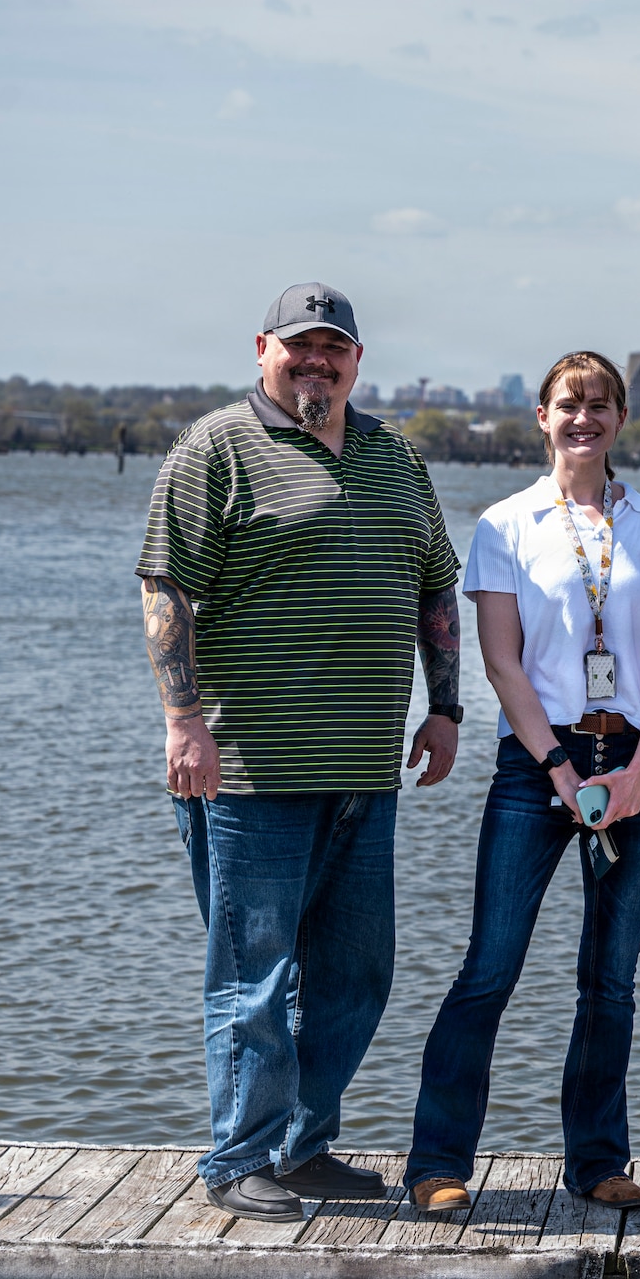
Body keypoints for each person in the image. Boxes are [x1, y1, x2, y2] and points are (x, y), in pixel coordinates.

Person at [137, 283, 463, 1221]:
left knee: (358, 972)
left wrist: (445, 708)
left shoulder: (394, 455)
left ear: (357, 359)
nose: (317, 361)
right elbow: (167, 591)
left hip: (366, 768)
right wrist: (182, 720)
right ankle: (239, 1158)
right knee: (255, 970)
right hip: (250, 770)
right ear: (262, 350)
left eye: (335, 348)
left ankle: (303, 1145)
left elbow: (435, 586)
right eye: (299, 346)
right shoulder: (216, 448)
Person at [404, 352, 640, 1216]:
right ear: (542, 416)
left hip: (638, 764)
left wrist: (639, 770)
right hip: (537, 768)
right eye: (570, 403)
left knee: (611, 979)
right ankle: (437, 1162)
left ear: (620, 418)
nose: (584, 418)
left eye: (600, 404)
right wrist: (560, 770)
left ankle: (599, 1161)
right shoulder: (506, 524)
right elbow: (500, 662)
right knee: (489, 968)